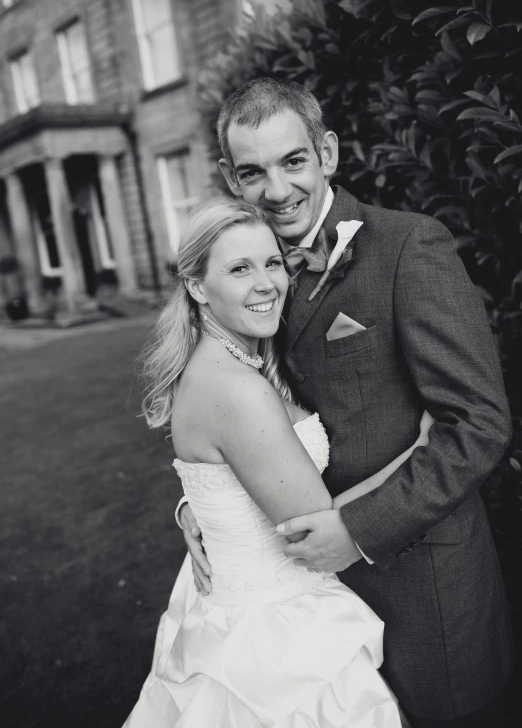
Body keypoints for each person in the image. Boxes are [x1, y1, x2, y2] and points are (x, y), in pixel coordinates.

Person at [178, 78, 513, 727]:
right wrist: (206, 501)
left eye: (293, 161)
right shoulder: (251, 274)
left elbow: (479, 423)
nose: (276, 191)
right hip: (311, 607)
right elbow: (243, 412)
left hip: (423, 590)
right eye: (252, 172)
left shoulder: (409, 247)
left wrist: (359, 529)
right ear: (230, 178)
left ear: (326, 152)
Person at [123, 196, 434, 727]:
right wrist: (419, 447)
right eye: (239, 268)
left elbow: (223, 474)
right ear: (198, 287)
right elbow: (318, 531)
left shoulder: (229, 360)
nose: (266, 282)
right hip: (272, 635)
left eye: (272, 262)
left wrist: (193, 508)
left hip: (236, 601)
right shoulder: (237, 388)